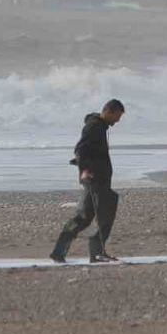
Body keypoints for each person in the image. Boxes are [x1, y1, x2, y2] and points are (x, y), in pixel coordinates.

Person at [49, 99, 125, 263]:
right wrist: (84, 170)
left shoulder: (99, 126)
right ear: (109, 111)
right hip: (94, 179)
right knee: (105, 212)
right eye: (117, 116)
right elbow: (80, 149)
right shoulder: (94, 126)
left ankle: (60, 252)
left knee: (84, 217)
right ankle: (97, 252)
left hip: (97, 179)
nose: (118, 121)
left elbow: (87, 151)